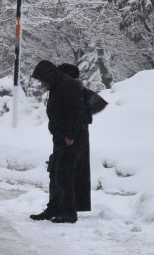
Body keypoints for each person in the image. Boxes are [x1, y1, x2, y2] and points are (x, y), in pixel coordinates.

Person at [28, 59, 90, 224]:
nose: (41, 83)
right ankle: (54, 208)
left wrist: (70, 135)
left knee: (64, 174)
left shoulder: (67, 86)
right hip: (61, 137)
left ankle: (69, 213)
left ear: (48, 75)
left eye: (41, 79)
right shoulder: (57, 86)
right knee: (56, 171)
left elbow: (76, 112)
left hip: (71, 138)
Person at [58, 63, 108, 213]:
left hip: (74, 134)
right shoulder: (80, 89)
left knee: (71, 170)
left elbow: (93, 106)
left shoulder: (75, 90)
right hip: (80, 132)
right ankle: (78, 204)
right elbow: (98, 104)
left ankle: (72, 205)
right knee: (78, 170)